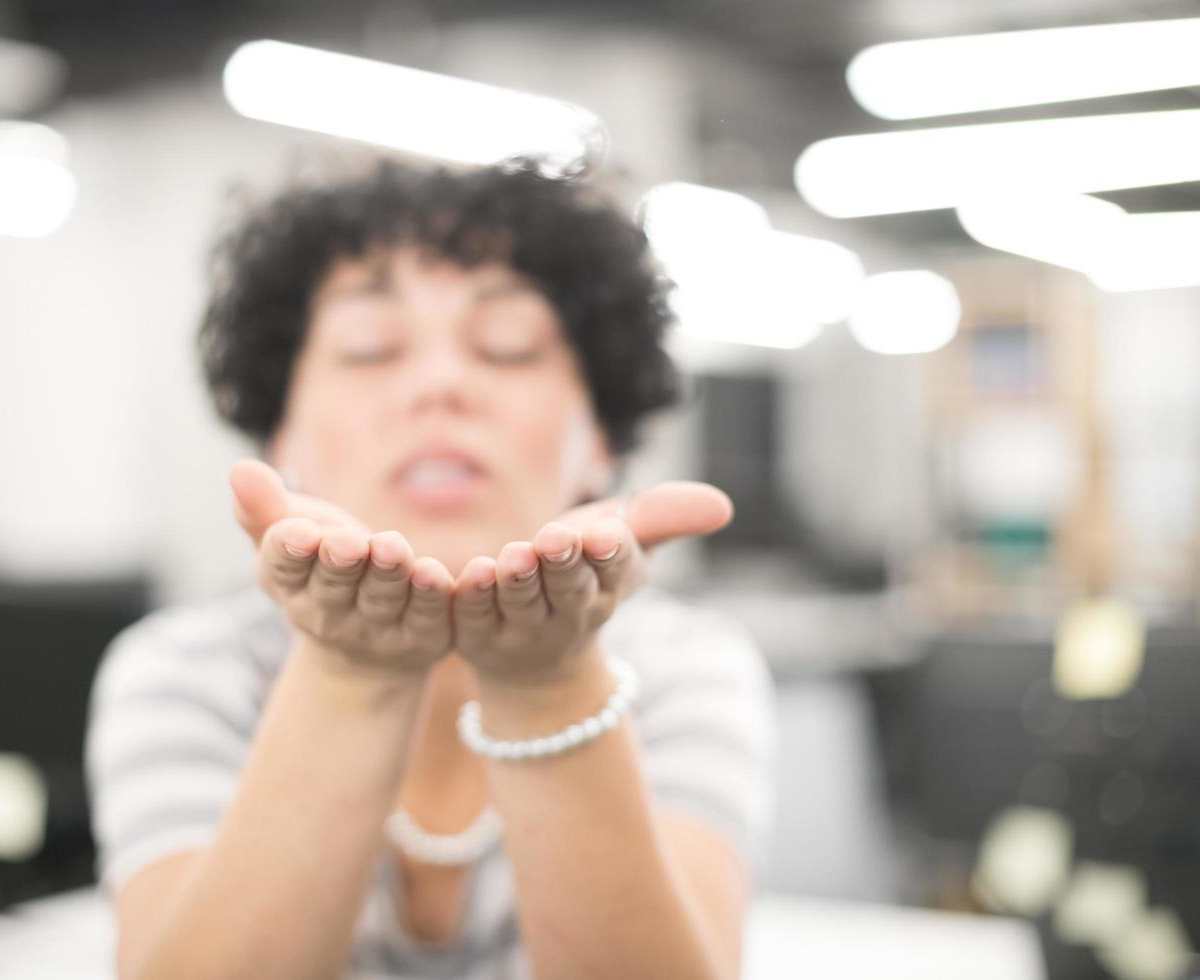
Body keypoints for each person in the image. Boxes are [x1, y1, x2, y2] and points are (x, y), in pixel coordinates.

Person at [85, 156, 775, 979]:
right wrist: (351, 667)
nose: (440, 384)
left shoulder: (680, 669)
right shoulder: (187, 672)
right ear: (281, 436)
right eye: (370, 349)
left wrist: (548, 682)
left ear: (600, 439)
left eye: (508, 348)